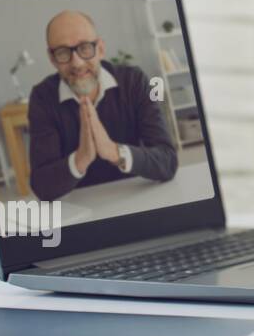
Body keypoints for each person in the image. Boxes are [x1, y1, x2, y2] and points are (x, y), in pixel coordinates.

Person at [28, 10, 177, 202]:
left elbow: (168, 160)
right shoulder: (42, 98)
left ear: (100, 48)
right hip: (81, 209)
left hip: (138, 197)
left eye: (84, 48)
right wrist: (81, 159)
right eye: (63, 52)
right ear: (52, 58)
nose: (77, 63)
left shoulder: (135, 81)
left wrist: (114, 152)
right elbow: (41, 186)